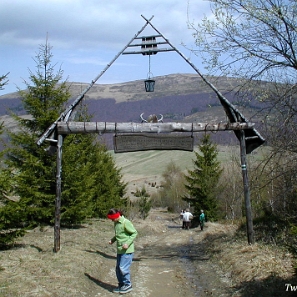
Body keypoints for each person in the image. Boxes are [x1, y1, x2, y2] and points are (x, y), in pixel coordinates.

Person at [107, 208, 138, 294]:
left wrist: (127, 243)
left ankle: (128, 285)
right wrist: (112, 240)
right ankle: (121, 284)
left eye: (113, 219)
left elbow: (134, 233)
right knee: (118, 269)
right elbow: (118, 235)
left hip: (127, 250)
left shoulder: (125, 222)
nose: (112, 221)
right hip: (120, 250)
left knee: (123, 268)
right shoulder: (116, 223)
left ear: (117, 216)